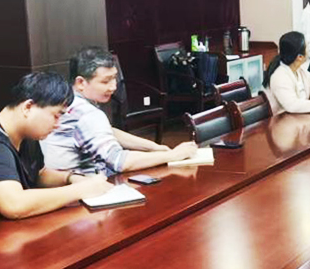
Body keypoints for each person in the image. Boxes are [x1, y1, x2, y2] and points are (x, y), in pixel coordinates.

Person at [0, 72, 113, 219]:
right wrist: (81, 189)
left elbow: (39, 174)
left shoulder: (25, 132)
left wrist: (71, 178)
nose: (57, 124)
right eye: (56, 116)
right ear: (28, 107)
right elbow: (13, 204)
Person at [43, 47, 198, 175]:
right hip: (83, 189)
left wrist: (154, 147)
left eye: (114, 78)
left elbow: (108, 131)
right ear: (81, 82)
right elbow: (119, 162)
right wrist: (172, 155)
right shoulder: (87, 114)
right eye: (105, 81)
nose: (113, 87)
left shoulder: (69, 101)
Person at [263, 31, 310, 115]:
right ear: (300, 57)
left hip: (300, 118)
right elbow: (292, 105)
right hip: (284, 120)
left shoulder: (300, 70)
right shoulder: (279, 76)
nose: (309, 50)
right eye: (307, 47)